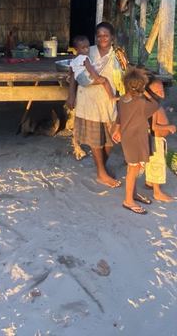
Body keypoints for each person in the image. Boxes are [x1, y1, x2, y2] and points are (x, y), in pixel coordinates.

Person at [66, 22, 126, 188]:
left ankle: (102, 168)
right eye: (99, 35)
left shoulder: (119, 56)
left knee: (109, 140)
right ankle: (101, 173)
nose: (102, 38)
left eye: (106, 35)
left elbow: (125, 77)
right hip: (89, 100)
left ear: (112, 37)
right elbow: (72, 72)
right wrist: (71, 95)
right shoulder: (87, 50)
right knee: (95, 139)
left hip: (109, 100)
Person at [111, 68, 158, 214]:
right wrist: (145, 93)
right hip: (136, 138)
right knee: (134, 168)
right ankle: (128, 200)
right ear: (142, 86)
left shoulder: (122, 100)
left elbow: (120, 117)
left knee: (134, 166)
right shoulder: (142, 102)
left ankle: (133, 194)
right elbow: (156, 105)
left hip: (128, 137)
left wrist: (117, 130)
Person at [144, 77, 176, 202]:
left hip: (154, 139)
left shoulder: (153, 104)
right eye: (156, 91)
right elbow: (154, 126)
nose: (161, 92)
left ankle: (149, 182)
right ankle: (157, 192)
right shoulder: (154, 107)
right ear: (150, 93)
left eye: (161, 89)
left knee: (152, 163)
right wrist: (170, 127)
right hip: (155, 139)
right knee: (157, 164)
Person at [69, 35, 117, 100]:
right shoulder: (85, 58)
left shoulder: (73, 60)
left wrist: (70, 77)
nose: (86, 50)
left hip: (79, 81)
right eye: (83, 48)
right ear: (76, 49)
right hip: (85, 78)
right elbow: (90, 69)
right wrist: (97, 78)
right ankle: (112, 97)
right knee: (105, 80)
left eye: (87, 47)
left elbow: (71, 71)